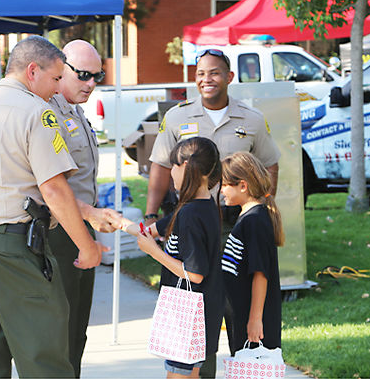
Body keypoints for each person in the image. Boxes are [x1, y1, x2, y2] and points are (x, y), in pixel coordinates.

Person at [0, 35, 106, 378]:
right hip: (13, 241)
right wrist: (87, 246)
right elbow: (54, 189)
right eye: (55, 78)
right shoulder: (38, 113)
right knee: (44, 350)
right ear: (33, 71)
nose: (56, 87)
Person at [145, 48, 281, 378]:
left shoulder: (251, 119)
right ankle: (200, 371)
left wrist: (261, 205)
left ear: (229, 77)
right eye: (201, 73)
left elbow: (270, 163)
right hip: (197, 223)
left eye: (215, 73)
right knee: (199, 306)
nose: (207, 79)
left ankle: (246, 366)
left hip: (235, 228)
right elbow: (161, 166)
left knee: (238, 305)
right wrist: (152, 216)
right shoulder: (177, 117)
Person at [120, 136, 224, 379]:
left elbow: (195, 273)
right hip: (202, 310)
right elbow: (151, 230)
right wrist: (119, 223)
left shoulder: (189, 214)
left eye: (173, 167)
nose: (171, 174)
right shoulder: (202, 206)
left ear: (186, 166)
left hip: (189, 314)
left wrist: (154, 252)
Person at [49, 39, 120, 377]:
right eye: (84, 75)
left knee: (77, 324)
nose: (91, 84)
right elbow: (48, 187)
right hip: (58, 229)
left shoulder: (75, 110)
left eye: (98, 76)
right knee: (59, 328)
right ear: (60, 70)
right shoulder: (47, 115)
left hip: (82, 224)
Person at [219, 151, 283, 354]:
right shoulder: (246, 217)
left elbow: (260, 273)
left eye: (225, 185)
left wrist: (255, 320)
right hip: (239, 315)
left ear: (243, 186)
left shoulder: (254, 221)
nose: (221, 191)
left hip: (253, 321)